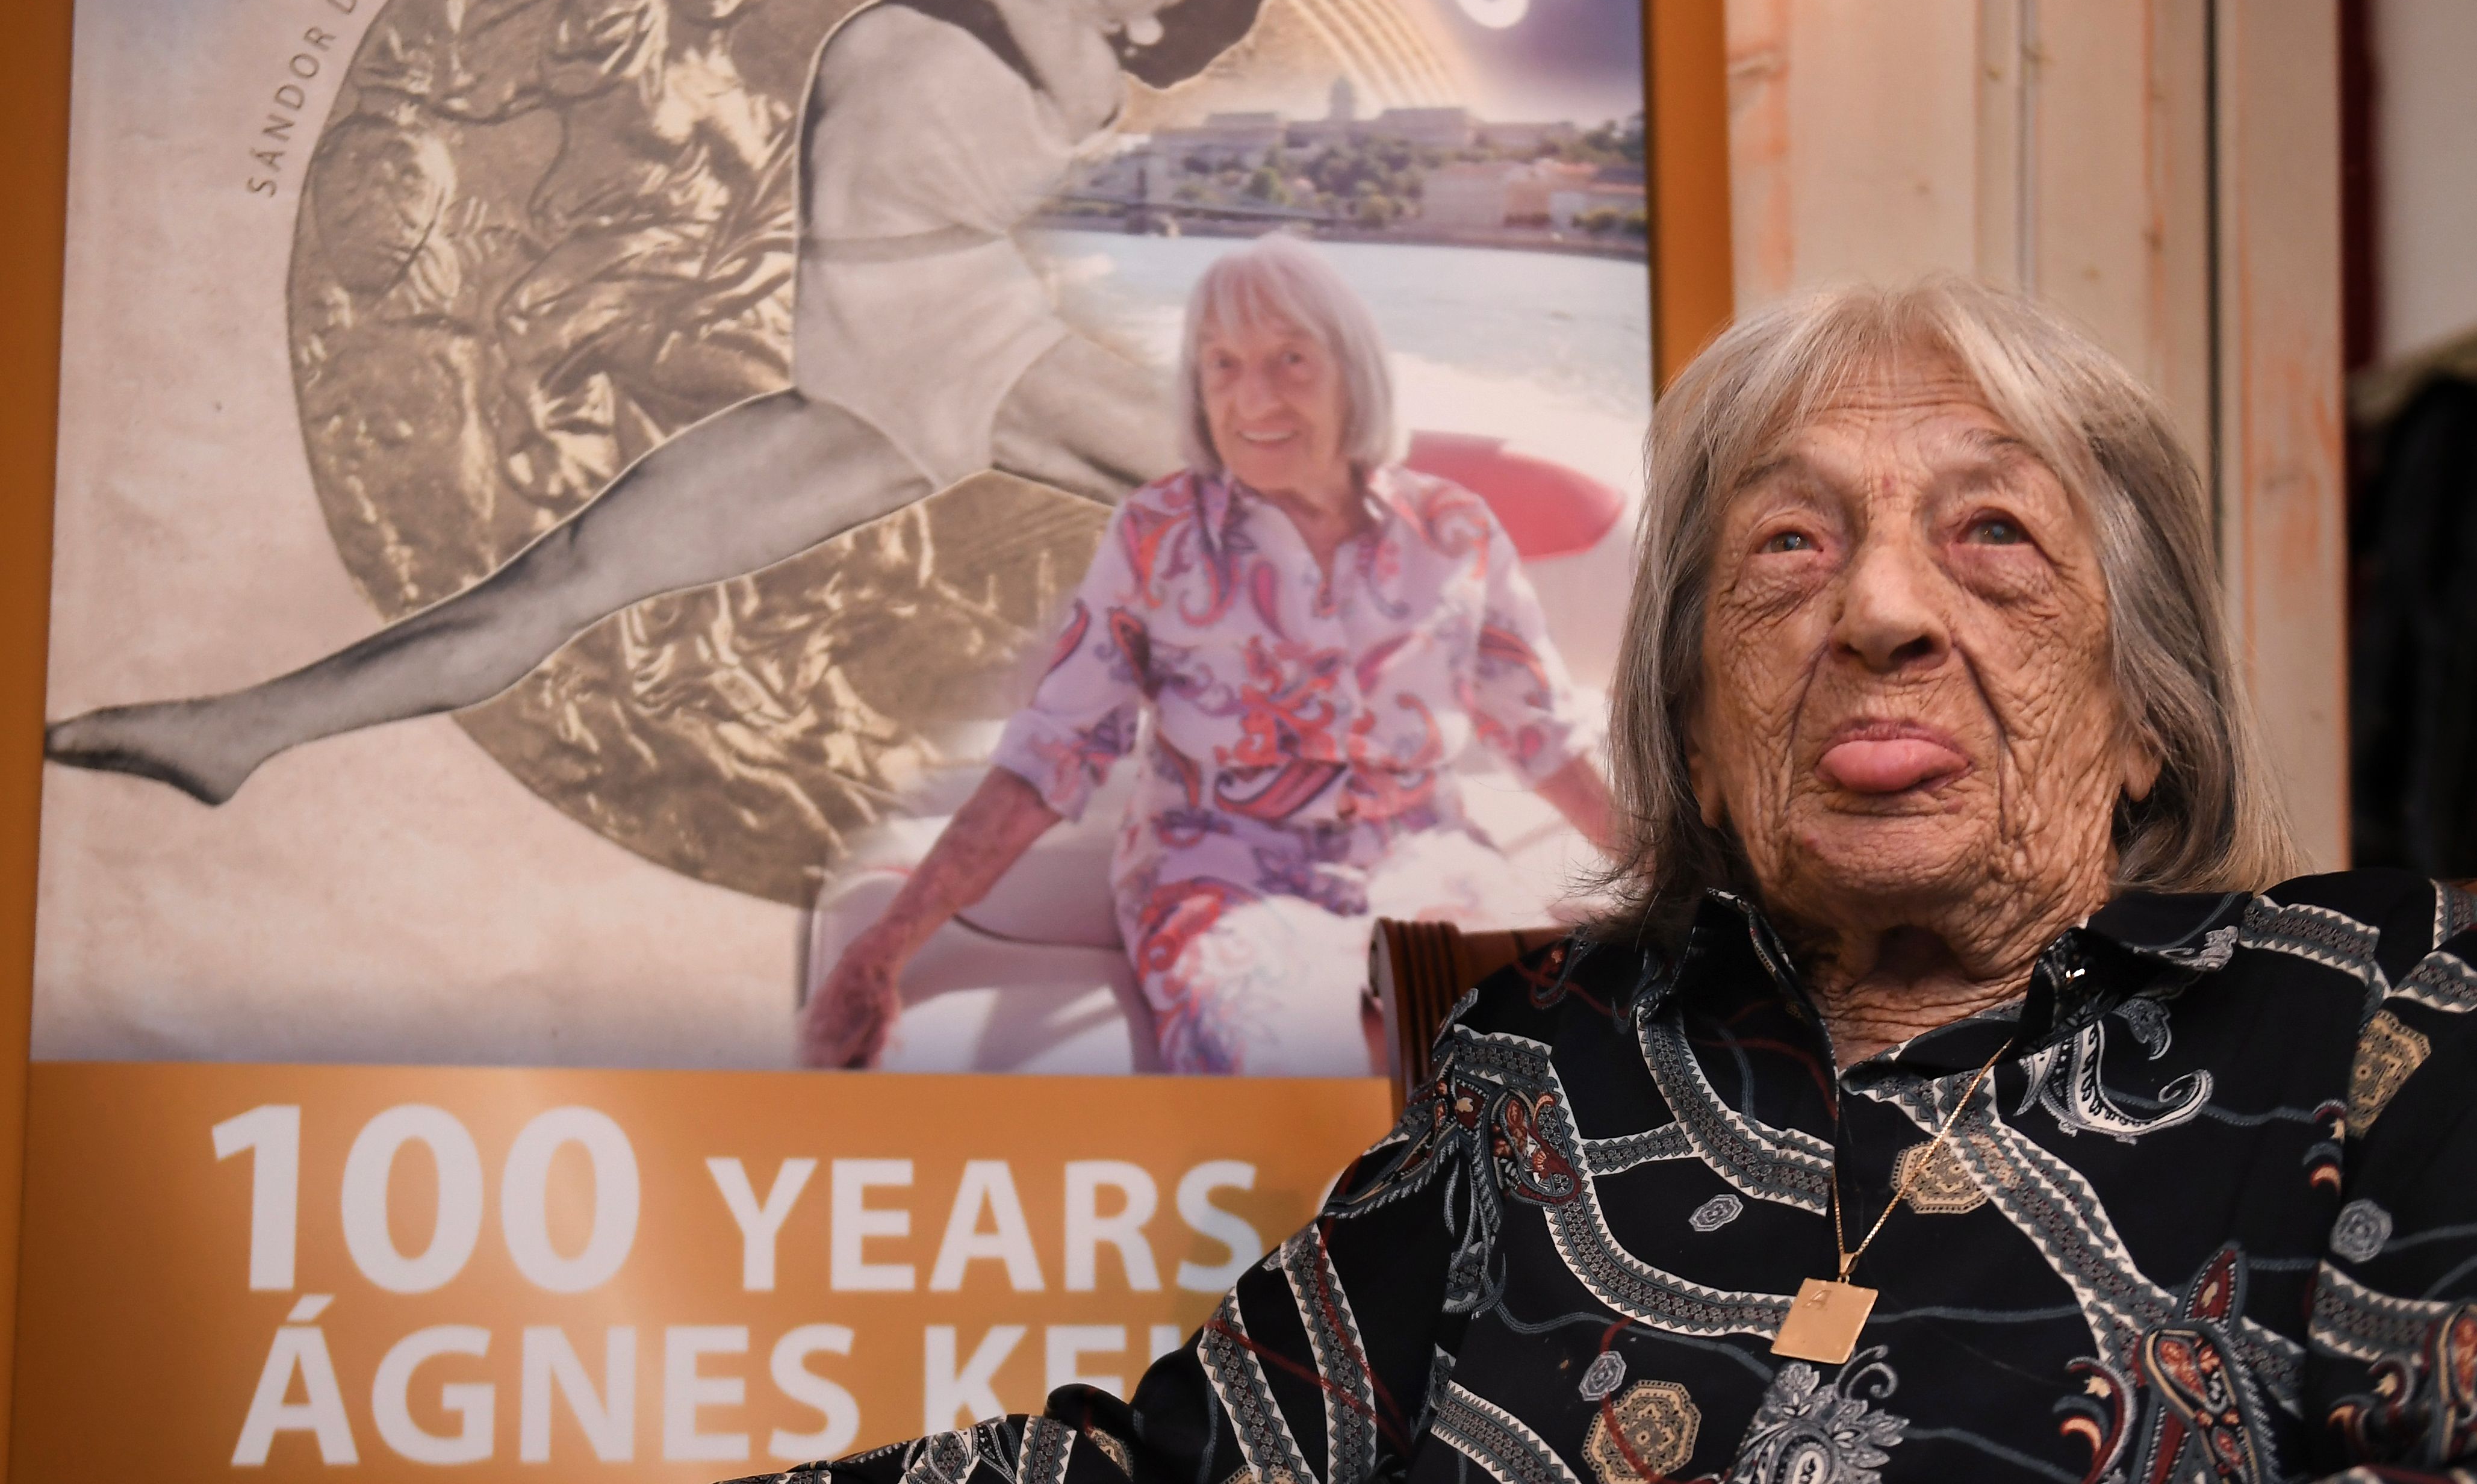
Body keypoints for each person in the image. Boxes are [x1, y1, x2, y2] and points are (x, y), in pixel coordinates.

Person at [738, 276, 2477, 1484]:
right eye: (1787, 543)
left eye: (1992, 532)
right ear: (1700, 737)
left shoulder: (2377, 1008)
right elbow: (1193, 1461)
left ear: (2144, 712)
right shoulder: (1546, 1057)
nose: (1879, 610)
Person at [42, 0, 1272, 807]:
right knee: (572, 574)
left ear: (1149, 29)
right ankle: (236, 733)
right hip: (860, 383)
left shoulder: (1079, 70)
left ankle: (1317, 721)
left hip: (974, 340)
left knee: (1270, 484)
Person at [800, 234, 1618, 1075]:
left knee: (1561, 1062)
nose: (1252, 397)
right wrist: (885, 946)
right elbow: (1055, 750)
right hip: (1218, 869)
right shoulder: (1157, 535)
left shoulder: (1453, 529)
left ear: (1354, 372)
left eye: (1289, 359)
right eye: (1222, 364)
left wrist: (1680, 894)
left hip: (1424, 856)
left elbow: (1540, 734)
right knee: (1291, 1070)